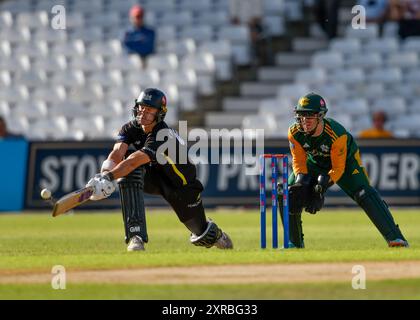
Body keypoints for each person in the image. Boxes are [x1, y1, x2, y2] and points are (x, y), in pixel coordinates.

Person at [85, 88, 233, 251]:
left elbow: (134, 162)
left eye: (149, 110)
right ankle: (136, 236)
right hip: (154, 176)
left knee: (203, 234)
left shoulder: (162, 134)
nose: (143, 113)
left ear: (160, 114)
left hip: (181, 185)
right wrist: (104, 175)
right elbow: (117, 153)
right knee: (128, 170)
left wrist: (109, 178)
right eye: (141, 107)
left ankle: (218, 235)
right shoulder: (129, 128)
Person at [279, 93, 408, 248]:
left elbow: (338, 168)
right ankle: (294, 242)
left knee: (364, 193)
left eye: (310, 116)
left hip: (346, 163)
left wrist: (321, 187)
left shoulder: (336, 133)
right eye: (301, 116)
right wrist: (301, 182)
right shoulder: (294, 132)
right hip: (315, 162)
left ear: (320, 116)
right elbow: (298, 161)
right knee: (289, 192)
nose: (305, 121)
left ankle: (396, 238)